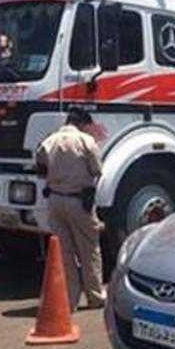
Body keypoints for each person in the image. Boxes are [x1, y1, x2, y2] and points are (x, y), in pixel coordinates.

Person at [35, 107, 106, 310]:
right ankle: (95, 297)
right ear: (82, 123)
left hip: (55, 201)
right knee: (89, 250)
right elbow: (97, 170)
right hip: (79, 202)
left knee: (64, 253)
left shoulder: (48, 141)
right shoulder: (86, 141)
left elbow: (40, 170)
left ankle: (70, 300)